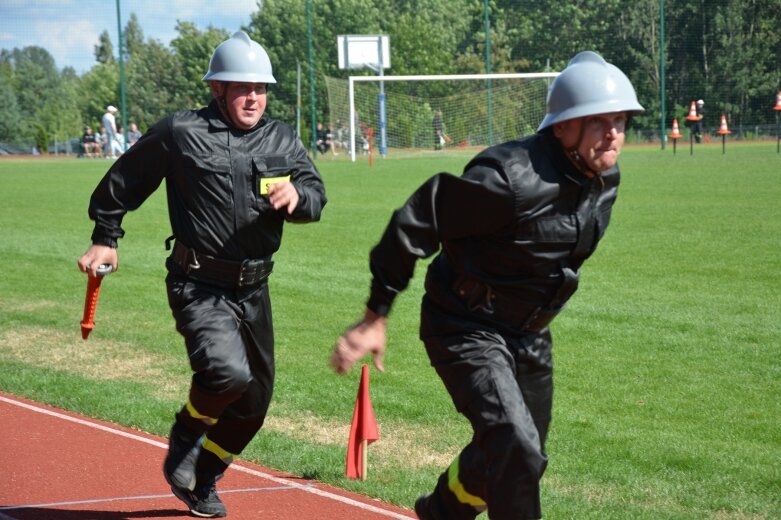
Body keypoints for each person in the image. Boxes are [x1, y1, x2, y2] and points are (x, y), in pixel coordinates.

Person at [331, 51, 643, 520]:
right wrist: (376, 314)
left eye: (619, 120)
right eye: (597, 121)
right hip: (464, 325)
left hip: (530, 334)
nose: (613, 132)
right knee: (515, 446)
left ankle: (441, 511)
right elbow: (416, 220)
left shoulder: (603, 178)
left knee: (523, 455)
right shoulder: (509, 181)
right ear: (562, 127)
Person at [77, 31, 327, 518]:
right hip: (198, 285)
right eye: (241, 87)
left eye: (260, 87)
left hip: (255, 289)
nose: (252, 96)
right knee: (225, 373)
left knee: (254, 402)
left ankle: (203, 478)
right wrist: (106, 236)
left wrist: (299, 200)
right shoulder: (180, 133)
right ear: (218, 88)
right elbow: (121, 183)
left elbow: (314, 191)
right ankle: (186, 435)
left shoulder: (281, 138)